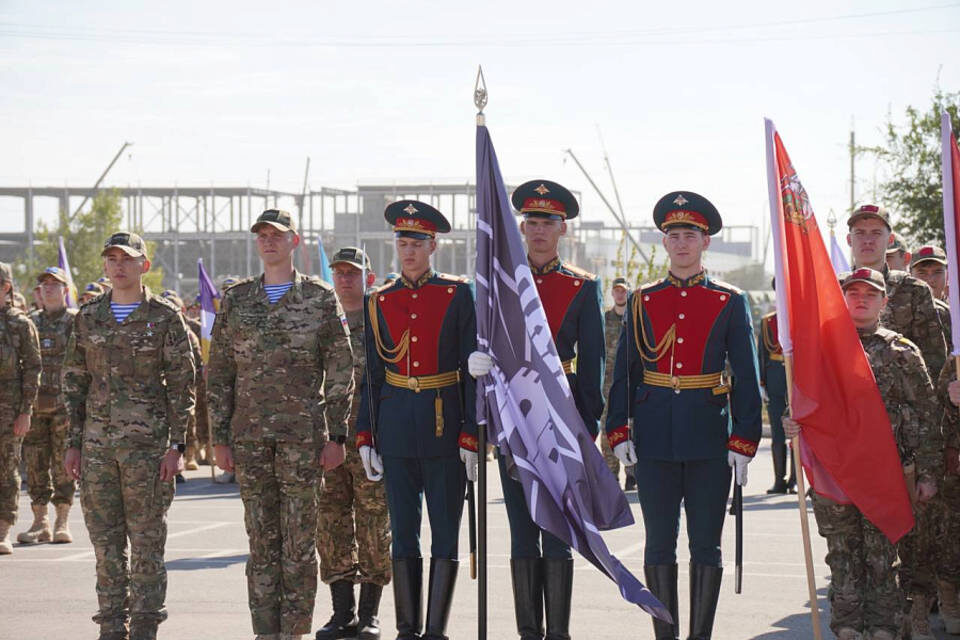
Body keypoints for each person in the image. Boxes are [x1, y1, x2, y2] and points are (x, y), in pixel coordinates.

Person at [606, 191, 762, 640]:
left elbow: (747, 375)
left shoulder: (728, 301)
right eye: (672, 235)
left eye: (689, 234)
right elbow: (626, 371)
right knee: (657, 544)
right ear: (664, 242)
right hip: (654, 439)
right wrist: (619, 429)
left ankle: (699, 636)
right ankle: (666, 635)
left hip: (709, 439)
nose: (681, 243)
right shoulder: (642, 300)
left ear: (705, 241)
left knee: (706, 546)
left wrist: (744, 439)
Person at [207, 209, 354, 640]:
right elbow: (219, 372)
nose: (269, 241)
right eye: (262, 235)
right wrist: (219, 438)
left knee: (299, 543)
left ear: (296, 241)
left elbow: (341, 366)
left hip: (303, 439)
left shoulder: (319, 297)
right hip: (249, 439)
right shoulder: (236, 299)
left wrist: (338, 432)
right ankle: (265, 631)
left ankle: (294, 631)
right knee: (261, 541)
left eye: (278, 235)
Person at [468, 179, 605, 640]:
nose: (539, 230)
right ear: (520, 227)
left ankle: (558, 633)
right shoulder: (499, 283)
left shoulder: (582, 287)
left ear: (562, 229)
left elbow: (592, 368)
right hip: (513, 417)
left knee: (559, 531)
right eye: (531, 222)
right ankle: (529, 630)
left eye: (548, 222)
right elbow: (483, 343)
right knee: (523, 526)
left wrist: (587, 431)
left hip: (560, 421)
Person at [784, 267, 941, 640]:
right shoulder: (819, 351)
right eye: (853, 293)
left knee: (882, 560)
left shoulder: (902, 352)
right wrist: (790, 423)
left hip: (885, 474)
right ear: (841, 300)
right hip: (835, 472)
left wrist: (929, 474)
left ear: (883, 302)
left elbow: (927, 413)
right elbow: (802, 404)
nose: (861, 299)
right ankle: (849, 627)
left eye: (870, 294)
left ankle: (884, 628)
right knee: (842, 558)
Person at [62, 232, 196, 640]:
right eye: (112, 259)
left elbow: (182, 384)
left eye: (127, 259)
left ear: (144, 265)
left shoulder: (163, 317)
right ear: (105, 266)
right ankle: (110, 625)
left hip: (148, 450)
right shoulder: (88, 317)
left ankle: (144, 626)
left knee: (147, 543)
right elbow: (75, 382)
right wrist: (73, 443)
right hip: (97, 449)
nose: (119, 265)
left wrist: (177, 446)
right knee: (105, 544)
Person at [356, 200, 477, 640]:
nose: (407, 251)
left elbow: (471, 369)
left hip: (444, 424)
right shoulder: (379, 299)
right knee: (403, 535)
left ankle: (435, 631)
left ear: (433, 246)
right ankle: (407, 629)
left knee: (445, 533)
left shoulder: (457, 294)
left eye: (416, 243)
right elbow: (370, 373)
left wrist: (471, 433)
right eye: (402, 242)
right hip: (396, 426)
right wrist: (365, 433)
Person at [315, 247, 391, 640]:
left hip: (369, 442)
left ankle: (370, 615)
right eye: (339, 273)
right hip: (328, 442)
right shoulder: (321, 321)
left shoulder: (382, 323)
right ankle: (341, 613)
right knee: (331, 526)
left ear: (369, 278)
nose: (345, 279)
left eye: (353, 273)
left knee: (375, 525)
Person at [18, 267, 77, 545]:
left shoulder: (77, 322)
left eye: (56, 284)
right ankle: (40, 521)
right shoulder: (29, 323)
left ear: (66, 290)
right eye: (45, 285)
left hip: (65, 408)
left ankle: (62, 521)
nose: (50, 289)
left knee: (64, 466)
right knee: (35, 465)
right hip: (35, 407)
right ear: (39, 292)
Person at [0, 262, 41, 555]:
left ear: (6, 287)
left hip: (9, 409)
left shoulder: (20, 323)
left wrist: (26, 410)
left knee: (6, 469)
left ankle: (3, 529)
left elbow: (33, 368)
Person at [159, 289, 205, 472]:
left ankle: (190, 455)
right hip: (162, 388)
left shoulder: (190, 333)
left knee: (189, 421)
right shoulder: (154, 328)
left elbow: (197, 363)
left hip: (185, 386)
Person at [758, 279, 793, 495]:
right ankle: (779, 480)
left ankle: (796, 481)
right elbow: (762, 354)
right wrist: (761, 383)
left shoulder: (802, 319)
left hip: (796, 380)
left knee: (799, 434)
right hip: (775, 380)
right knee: (778, 433)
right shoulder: (767, 322)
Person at [603, 276, 634, 491]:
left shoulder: (635, 318)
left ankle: (632, 473)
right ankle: (610, 475)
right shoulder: (604, 319)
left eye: (623, 290)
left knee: (632, 428)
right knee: (607, 429)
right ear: (612, 293)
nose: (620, 294)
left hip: (631, 382)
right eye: (617, 291)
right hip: (607, 383)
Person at [910, 245, 951, 351]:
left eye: (937, 272)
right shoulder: (900, 313)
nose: (930, 280)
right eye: (922, 273)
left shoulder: (955, 313)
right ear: (910, 275)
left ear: (947, 275)